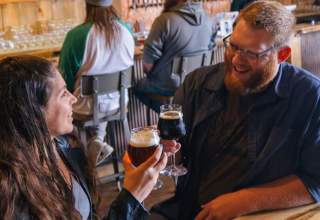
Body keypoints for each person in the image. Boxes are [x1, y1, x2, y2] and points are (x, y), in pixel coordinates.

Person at [152, 1, 320, 219]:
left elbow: (315, 181)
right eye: (234, 46)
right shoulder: (198, 84)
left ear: (282, 54)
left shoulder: (309, 97)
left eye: (252, 54)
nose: (237, 60)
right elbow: (178, 158)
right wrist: (163, 152)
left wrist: (244, 201)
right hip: (188, 209)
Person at [0, 55, 171, 220]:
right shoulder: (10, 192)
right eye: (63, 94)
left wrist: (134, 191)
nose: (73, 98)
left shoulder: (67, 147)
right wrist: (132, 196)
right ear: (32, 114)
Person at [59, 0, 134, 165]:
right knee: (101, 101)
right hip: (118, 104)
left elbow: (65, 79)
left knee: (59, 103)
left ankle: (82, 161)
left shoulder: (77, 35)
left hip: (84, 107)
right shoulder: (126, 29)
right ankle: (97, 140)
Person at [135, 0, 216, 113]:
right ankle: (178, 116)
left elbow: (147, 66)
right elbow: (211, 51)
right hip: (197, 83)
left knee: (138, 87)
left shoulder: (164, 21)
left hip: (169, 86)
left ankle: (171, 116)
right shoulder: (210, 20)